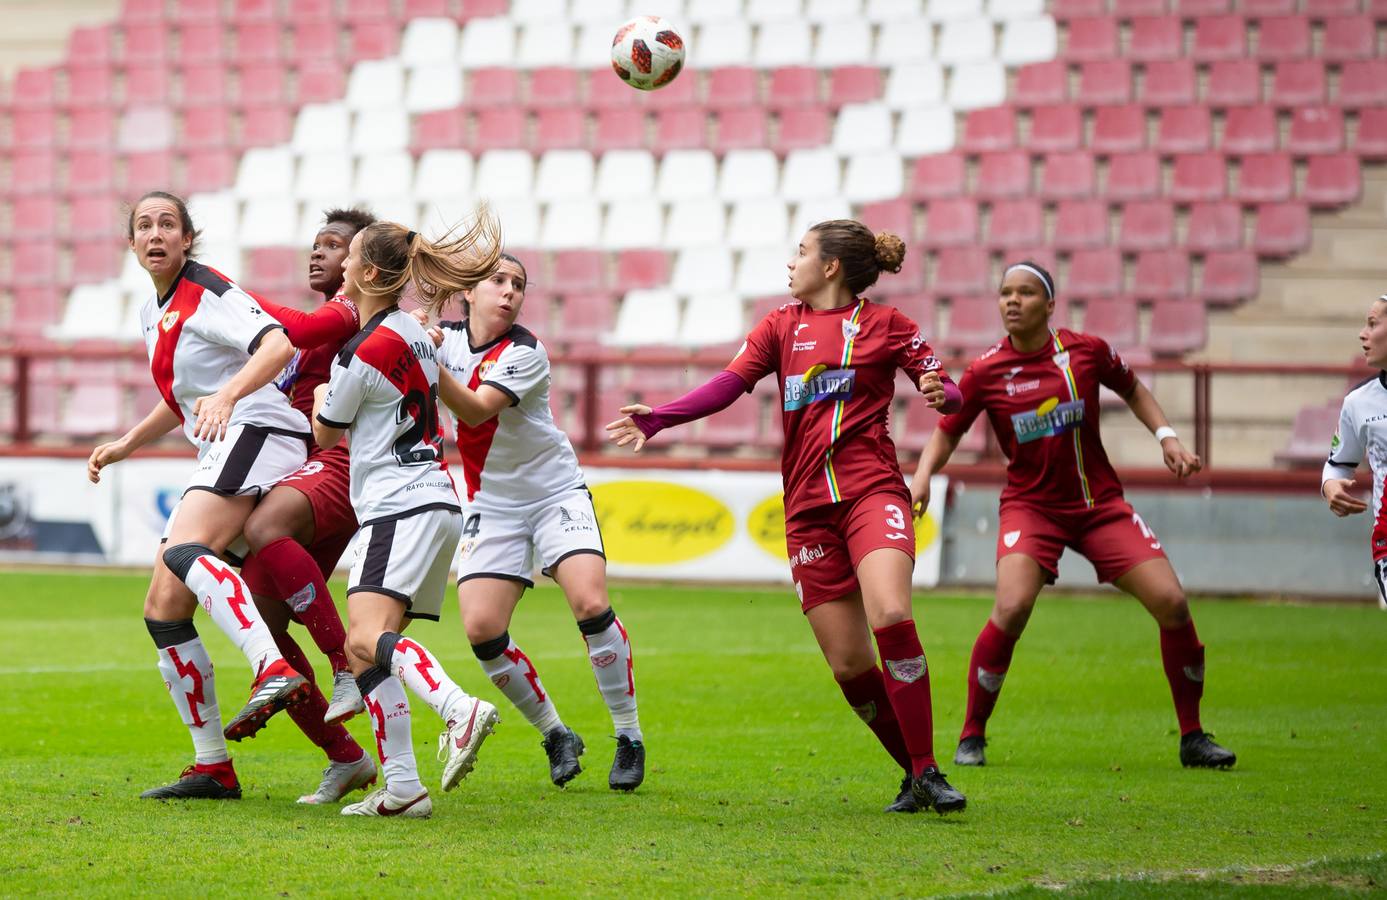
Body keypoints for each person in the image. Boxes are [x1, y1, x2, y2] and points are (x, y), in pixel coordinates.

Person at [607, 220, 967, 814]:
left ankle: (928, 767)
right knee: (850, 664)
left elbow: (950, 393)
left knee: (892, 613)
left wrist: (939, 392)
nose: (791, 262)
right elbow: (728, 385)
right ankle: (912, 770)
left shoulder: (887, 325)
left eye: (801, 252)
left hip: (871, 492)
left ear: (830, 267)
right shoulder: (781, 325)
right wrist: (659, 418)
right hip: (805, 511)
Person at [908, 261, 1237, 770]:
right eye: (1004, 293)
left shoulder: (1086, 351)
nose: (1012, 301)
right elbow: (949, 428)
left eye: (1025, 293)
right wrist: (925, 473)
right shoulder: (986, 370)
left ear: (1050, 304)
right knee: (1012, 608)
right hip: (1031, 509)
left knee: (1172, 603)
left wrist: (1167, 438)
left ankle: (1192, 736)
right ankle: (972, 734)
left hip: (1099, 507)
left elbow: (1133, 388)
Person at [88, 190, 313, 799]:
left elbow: (278, 344)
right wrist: (127, 443)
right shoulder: (152, 313)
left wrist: (230, 397)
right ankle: (213, 765)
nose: (155, 233)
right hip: (229, 436)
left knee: (182, 550)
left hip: (261, 429)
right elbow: (183, 396)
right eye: (144, 225)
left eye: (168, 224)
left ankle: (271, 665)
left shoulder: (208, 289)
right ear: (131, 244)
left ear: (188, 239)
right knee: (163, 604)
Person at [426, 254, 645, 792]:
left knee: (590, 603)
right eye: (497, 281)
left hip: (553, 493)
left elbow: (476, 410)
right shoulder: (442, 337)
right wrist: (416, 342)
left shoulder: (526, 351)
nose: (509, 292)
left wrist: (421, 362)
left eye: (518, 285)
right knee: (481, 630)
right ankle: (556, 733)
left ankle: (629, 736)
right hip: (491, 504)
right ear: (468, 293)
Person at [312, 215, 502, 819]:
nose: (339, 265)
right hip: (433, 499)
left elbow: (326, 431)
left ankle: (456, 707)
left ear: (368, 273)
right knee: (368, 650)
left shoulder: (362, 350)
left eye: (349, 257)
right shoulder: (415, 332)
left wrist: (320, 395)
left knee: (363, 638)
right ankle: (403, 788)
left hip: (400, 504)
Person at [236, 207, 380, 805]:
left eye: (333, 246)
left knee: (264, 525)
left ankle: (343, 664)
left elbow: (295, 327)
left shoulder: (351, 311)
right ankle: (345, 758)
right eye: (315, 245)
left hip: (341, 459)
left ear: (361, 264)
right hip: (307, 469)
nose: (318, 254)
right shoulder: (329, 316)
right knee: (264, 625)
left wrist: (221, 291)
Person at [1321, 293, 1387, 610]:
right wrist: (1330, 486)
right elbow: (1338, 464)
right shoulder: (1358, 402)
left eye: (1373, 324)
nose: (1363, 333)